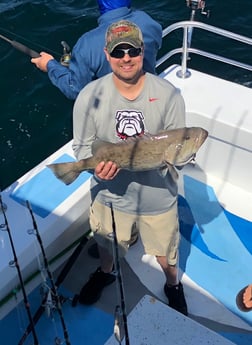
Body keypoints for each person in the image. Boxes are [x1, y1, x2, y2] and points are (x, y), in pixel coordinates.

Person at [72, 19, 188, 316]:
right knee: (108, 245)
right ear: (107, 54)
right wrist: (94, 169)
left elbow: (179, 147)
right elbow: (83, 148)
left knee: (166, 251)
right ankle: (105, 272)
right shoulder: (89, 96)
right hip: (110, 195)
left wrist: (183, 156)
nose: (126, 58)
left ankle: (172, 284)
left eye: (132, 50)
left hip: (158, 196)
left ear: (142, 50)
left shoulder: (169, 95)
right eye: (118, 51)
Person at [31, 0, 162, 100]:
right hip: (151, 94)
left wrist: (50, 65)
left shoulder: (87, 43)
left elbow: (75, 89)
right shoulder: (148, 21)